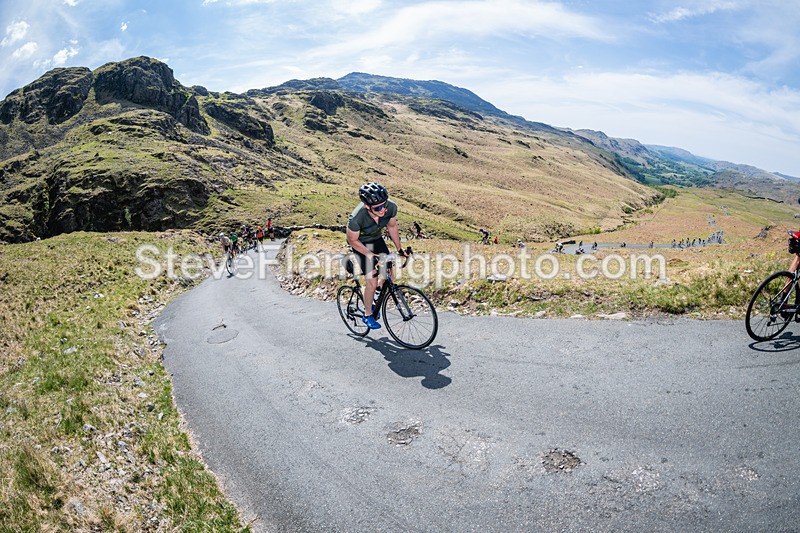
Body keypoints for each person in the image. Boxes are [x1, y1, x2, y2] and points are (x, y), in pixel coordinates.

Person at [346, 182, 405, 330]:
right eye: (378, 208)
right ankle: (367, 314)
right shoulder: (356, 218)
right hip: (361, 244)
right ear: (367, 206)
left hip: (377, 239)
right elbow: (352, 240)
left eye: (384, 204)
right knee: (371, 280)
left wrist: (399, 249)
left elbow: (392, 227)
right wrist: (370, 255)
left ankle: (377, 293)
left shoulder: (390, 208)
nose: (383, 210)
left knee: (390, 271)